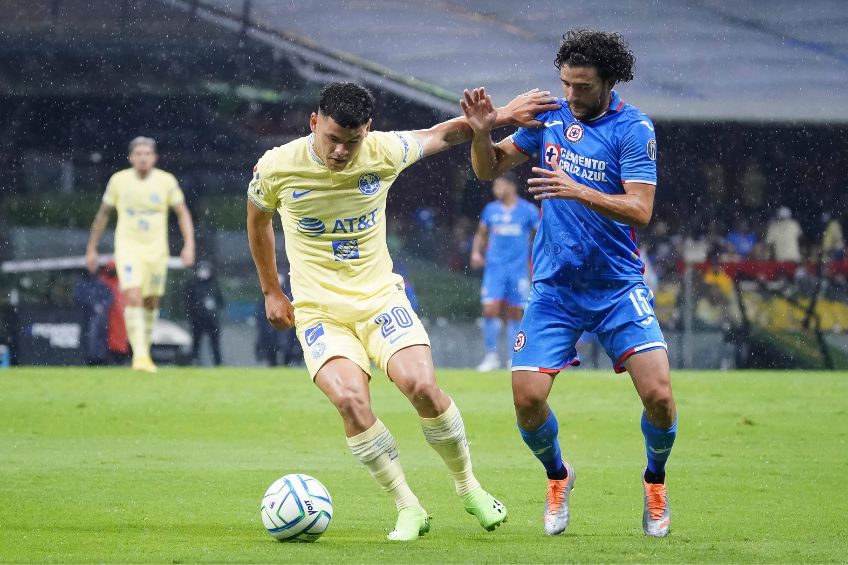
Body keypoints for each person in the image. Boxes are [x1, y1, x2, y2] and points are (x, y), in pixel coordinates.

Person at [246, 81, 558, 541]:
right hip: (319, 312)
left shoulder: (383, 150)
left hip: (380, 299)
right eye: (332, 139)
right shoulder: (276, 166)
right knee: (351, 402)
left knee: (422, 386)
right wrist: (272, 291)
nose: (340, 152)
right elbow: (257, 219)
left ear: (368, 131)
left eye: (351, 142)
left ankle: (468, 486)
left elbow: (442, 134)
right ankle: (407, 505)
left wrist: (503, 117)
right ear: (314, 123)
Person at [461, 28, 677, 537]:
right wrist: (479, 131)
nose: (571, 95)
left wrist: (576, 189)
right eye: (566, 84)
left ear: (609, 81)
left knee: (661, 398)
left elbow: (641, 209)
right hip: (555, 288)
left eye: (582, 87)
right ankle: (559, 476)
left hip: (617, 286)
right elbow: (486, 167)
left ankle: (654, 482)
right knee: (527, 398)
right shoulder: (549, 117)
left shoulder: (633, 128)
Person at [86, 137, 196, 372]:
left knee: (150, 300)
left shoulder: (166, 181)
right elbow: (103, 215)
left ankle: (143, 348)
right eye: (139, 154)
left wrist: (189, 245)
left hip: (156, 251)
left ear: (154, 157)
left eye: (147, 153)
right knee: (133, 295)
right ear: (131, 157)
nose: (143, 158)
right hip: (128, 248)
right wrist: (91, 247)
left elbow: (182, 213)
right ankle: (140, 355)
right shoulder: (119, 181)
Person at [470, 172, 539, 371]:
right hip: (495, 269)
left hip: (518, 270)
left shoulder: (528, 210)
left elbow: (540, 235)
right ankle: (491, 356)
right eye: (495, 186)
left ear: (512, 187)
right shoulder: (491, 210)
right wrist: (476, 252)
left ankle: (513, 357)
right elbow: (481, 234)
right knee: (490, 309)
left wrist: (539, 259)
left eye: (500, 185)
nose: (496, 190)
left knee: (515, 313)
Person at [185, 261, 224, 366]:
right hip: (197, 319)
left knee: (215, 344)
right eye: (201, 269)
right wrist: (196, 310)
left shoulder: (214, 284)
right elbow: (187, 302)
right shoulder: (193, 284)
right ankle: (194, 362)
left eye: (205, 269)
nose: (203, 272)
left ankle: (218, 363)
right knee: (196, 343)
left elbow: (221, 301)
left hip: (212, 320)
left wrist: (213, 308)